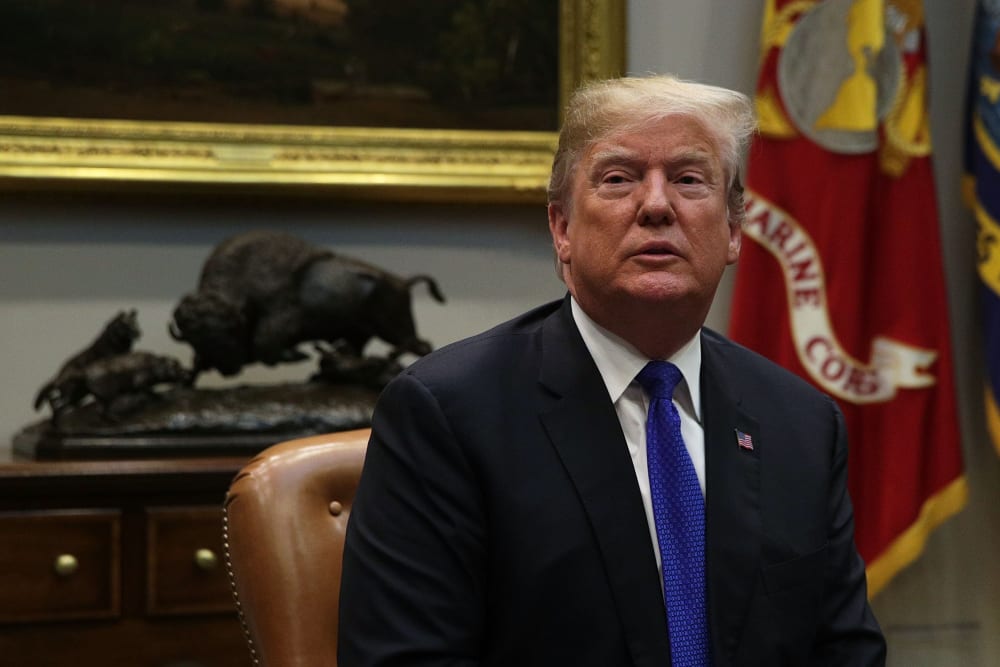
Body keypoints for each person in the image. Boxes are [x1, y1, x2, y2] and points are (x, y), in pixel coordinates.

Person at [338, 74, 886, 666]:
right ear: (562, 228)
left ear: (732, 231)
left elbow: (845, 652)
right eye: (619, 179)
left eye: (689, 180)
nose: (656, 206)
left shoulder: (800, 422)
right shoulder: (447, 414)